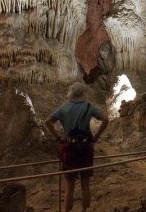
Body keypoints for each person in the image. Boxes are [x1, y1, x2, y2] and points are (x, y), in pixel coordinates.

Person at [46, 82, 107, 212]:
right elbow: (106, 119)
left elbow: (48, 122)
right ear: (83, 94)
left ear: (71, 94)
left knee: (70, 186)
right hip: (85, 149)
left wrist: (58, 137)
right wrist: (96, 137)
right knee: (85, 185)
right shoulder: (89, 107)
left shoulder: (64, 108)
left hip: (70, 150)